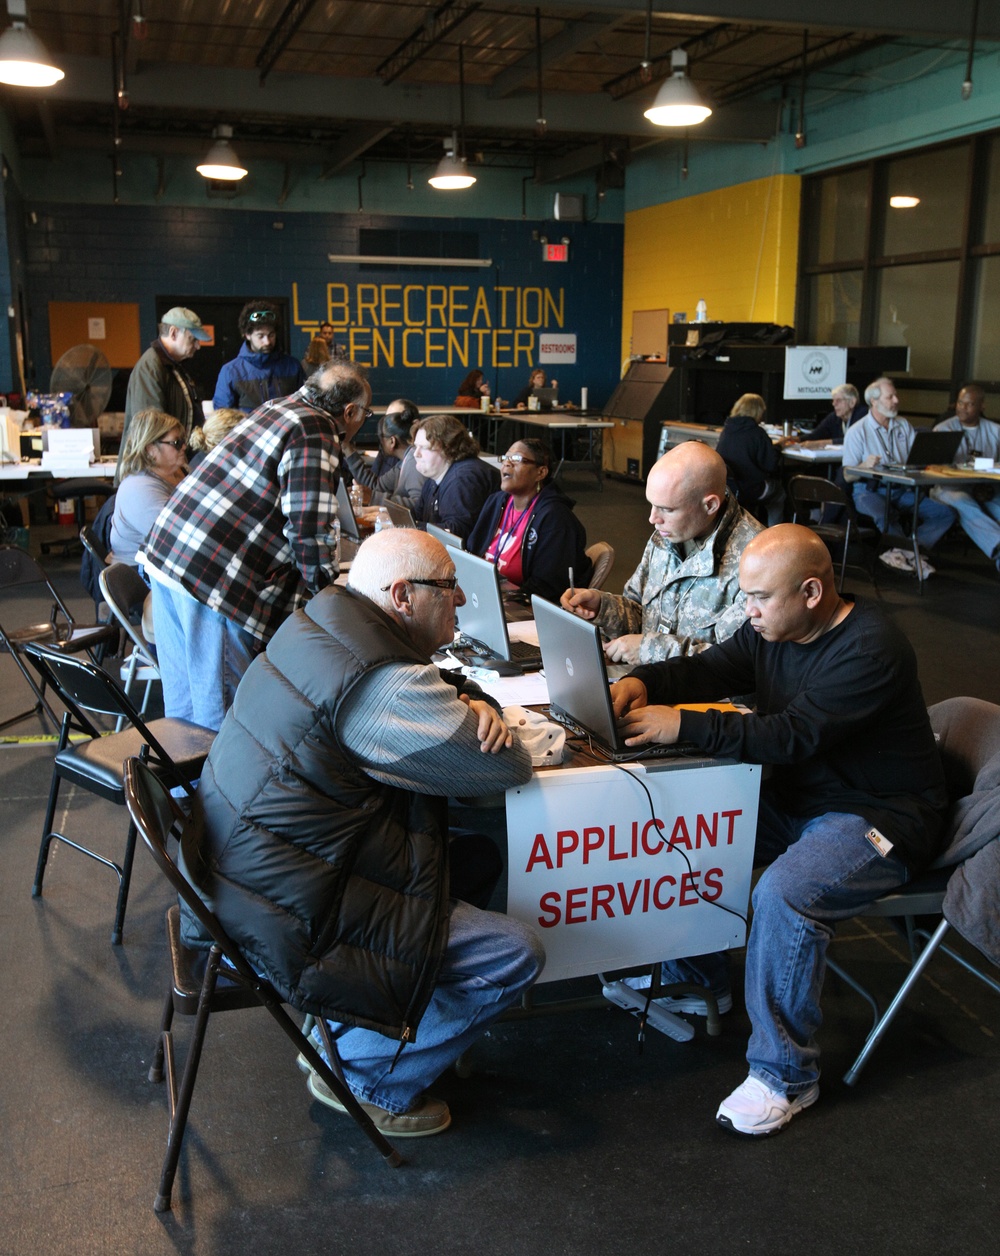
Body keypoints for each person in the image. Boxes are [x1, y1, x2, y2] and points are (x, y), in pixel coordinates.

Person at [185, 529, 544, 1137]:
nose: (460, 602)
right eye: (449, 589)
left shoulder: (324, 620)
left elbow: (442, 695)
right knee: (515, 953)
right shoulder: (387, 687)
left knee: (475, 857)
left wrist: (471, 699)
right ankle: (360, 1072)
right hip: (286, 913)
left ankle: (371, 1023)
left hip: (242, 874)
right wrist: (483, 718)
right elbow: (504, 767)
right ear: (403, 595)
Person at [611, 524, 947, 1137]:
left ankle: (785, 1076)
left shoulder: (871, 648)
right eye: (745, 596)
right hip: (802, 799)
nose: (749, 611)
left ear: (812, 592)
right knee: (683, 833)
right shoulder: (773, 628)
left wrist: (680, 726)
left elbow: (791, 736)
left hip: (881, 817)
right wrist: (645, 683)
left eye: (760, 598)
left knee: (785, 893)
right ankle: (701, 975)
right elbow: (710, 668)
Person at [144, 360, 372, 730]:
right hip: (212, 579)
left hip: (171, 557)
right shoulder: (317, 428)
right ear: (350, 412)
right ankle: (214, 788)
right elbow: (307, 528)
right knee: (217, 719)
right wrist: (329, 596)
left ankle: (182, 788)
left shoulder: (276, 407)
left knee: (183, 712)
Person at [560, 442, 762, 666]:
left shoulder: (757, 560)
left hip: (703, 698)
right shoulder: (667, 535)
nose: (653, 519)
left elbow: (737, 664)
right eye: (652, 505)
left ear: (710, 505)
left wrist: (649, 650)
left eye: (667, 509)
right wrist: (603, 607)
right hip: (649, 683)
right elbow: (640, 615)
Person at [842, 377, 956, 574]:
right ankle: (911, 555)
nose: (896, 400)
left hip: (901, 490)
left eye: (895, 396)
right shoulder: (857, 431)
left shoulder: (903, 425)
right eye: (890, 397)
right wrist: (863, 466)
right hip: (870, 491)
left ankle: (906, 551)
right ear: (874, 401)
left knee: (945, 513)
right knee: (884, 515)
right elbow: (847, 476)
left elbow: (915, 459)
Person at [467, 438, 592, 603]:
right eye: (505, 458)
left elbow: (548, 586)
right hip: (484, 591)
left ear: (540, 472)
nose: (507, 464)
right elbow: (472, 551)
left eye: (517, 459)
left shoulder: (556, 519)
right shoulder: (497, 502)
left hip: (522, 607)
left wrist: (502, 599)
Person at [121, 306, 210, 463]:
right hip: (155, 467)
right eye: (193, 339)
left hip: (171, 464)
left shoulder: (173, 366)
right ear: (173, 333)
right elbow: (151, 429)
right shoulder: (150, 367)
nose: (198, 346)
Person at [930, 384, 1000, 573]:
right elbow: (932, 468)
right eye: (960, 403)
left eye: (969, 404)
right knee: (964, 502)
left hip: (985, 488)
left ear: (981, 406)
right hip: (949, 488)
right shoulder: (943, 429)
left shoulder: (995, 431)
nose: (963, 408)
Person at [110, 409, 189, 566]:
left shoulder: (179, 472)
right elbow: (176, 540)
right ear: (150, 448)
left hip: (165, 564)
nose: (184, 447)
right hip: (141, 574)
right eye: (176, 443)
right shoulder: (139, 489)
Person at [412, 414, 499, 540]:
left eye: (424, 448)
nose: (416, 454)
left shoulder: (463, 479)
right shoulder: (434, 480)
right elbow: (417, 516)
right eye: (416, 446)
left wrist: (409, 528)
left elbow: (456, 533)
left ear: (448, 447)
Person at [212, 300, 305, 413]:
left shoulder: (293, 366)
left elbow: (305, 405)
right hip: (247, 430)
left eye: (271, 335)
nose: (267, 342)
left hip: (287, 430)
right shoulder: (231, 371)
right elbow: (223, 416)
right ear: (247, 335)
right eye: (260, 336)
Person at [343, 398, 424, 511]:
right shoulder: (404, 462)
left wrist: (373, 497)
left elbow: (419, 505)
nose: (380, 443)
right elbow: (376, 485)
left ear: (392, 441)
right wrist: (347, 448)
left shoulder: (414, 461)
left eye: (382, 439)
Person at [716, 393, 785, 525]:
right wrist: (777, 448)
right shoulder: (757, 433)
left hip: (730, 489)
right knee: (779, 495)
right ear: (758, 411)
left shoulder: (727, 430)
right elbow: (770, 465)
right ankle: (775, 536)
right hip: (752, 489)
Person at [798, 383, 866, 447]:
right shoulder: (834, 417)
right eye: (833, 400)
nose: (834, 404)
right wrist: (794, 439)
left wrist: (819, 444)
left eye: (838, 400)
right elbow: (815, 435)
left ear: (852, 402)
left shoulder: (863, 415)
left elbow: (853, 440)